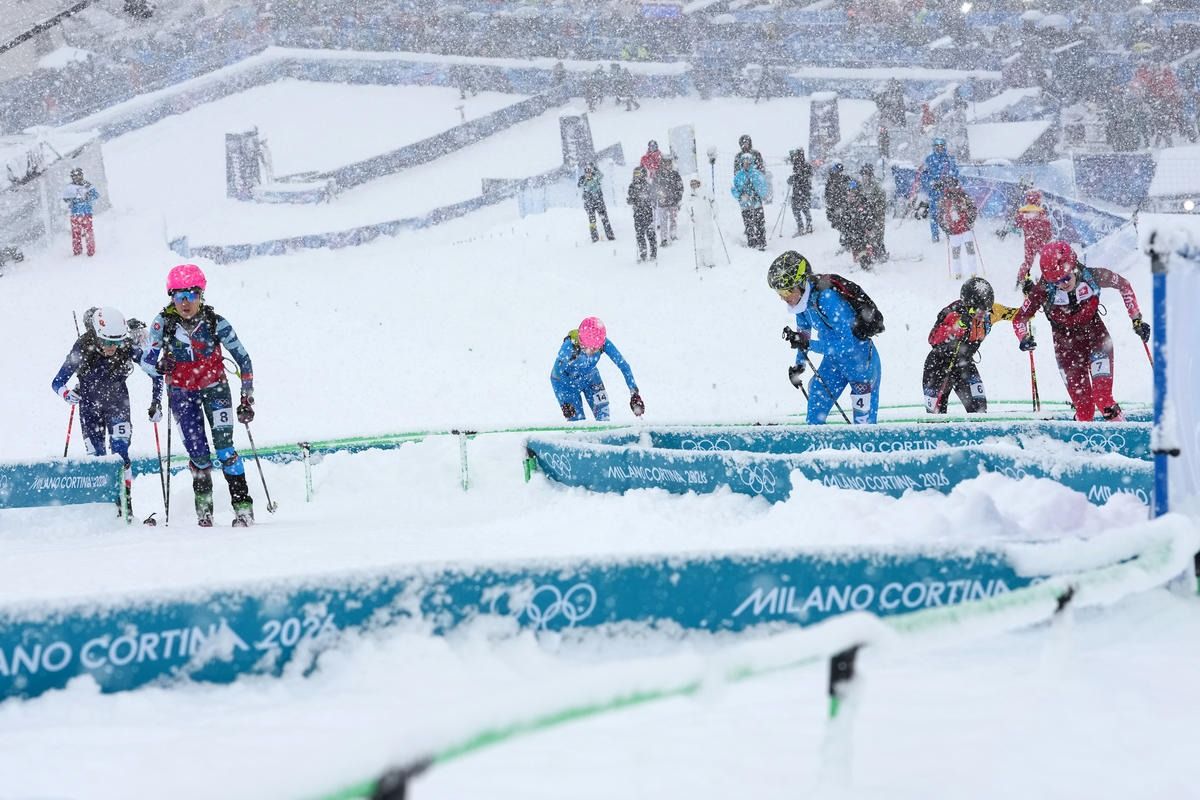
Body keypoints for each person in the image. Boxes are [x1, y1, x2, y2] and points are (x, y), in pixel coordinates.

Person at [140, 264, 257, 527]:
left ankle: (243, 508)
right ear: (171, 297)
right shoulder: (163, 323)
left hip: (215, 388)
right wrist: (160, 366)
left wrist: (246, 397)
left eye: (192, 295)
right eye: (179, 296)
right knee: (199, 456)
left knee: (225, 449)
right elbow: (146, 362)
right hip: (182, 393)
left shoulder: (215, 322)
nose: (185, 302)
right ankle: (204, 512)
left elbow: (243, 358)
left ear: (201, 295)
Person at [1011, 241, 1149, 422]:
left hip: (1097, 340)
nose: (1062, 284)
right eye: (1055, 282)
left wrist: (1136, 319)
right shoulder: (1043, 290)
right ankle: (1081, 436)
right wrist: (1023, 338)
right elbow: (1019, 319)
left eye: (1065, 278)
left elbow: (1124, 285)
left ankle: (1122, 432)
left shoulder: (1093, 276)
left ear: (1074, 267)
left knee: (1103, 399)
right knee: (1085, 409)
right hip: (1066, 351)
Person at [51, 306, 163, 522]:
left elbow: (155, 373)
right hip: (89, 409)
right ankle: (104, 513)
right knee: (99, 461)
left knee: (121, 457)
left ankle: (125, 509)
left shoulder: (126, 345)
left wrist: (156, 402)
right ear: (96, 335)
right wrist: (66, 393)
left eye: (116, 342)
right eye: (106, 342)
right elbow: (57, 382)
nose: (112, 347)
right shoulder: (83, 346)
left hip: (118, 404)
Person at [767, 251, 882, 425]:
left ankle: (867, 442)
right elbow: (803, 334)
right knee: (816, 401)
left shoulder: (828, 299)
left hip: (860, 363)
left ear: (801, 284)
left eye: (786, 291)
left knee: (863, 425)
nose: (783, 298)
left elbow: (847, 345)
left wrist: (809, 344)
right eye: (779, 292)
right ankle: (815, 441)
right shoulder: (802, 304)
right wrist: (799, 365)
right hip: (834, 363)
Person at [922, 278, 1018, 414]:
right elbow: (933, 339)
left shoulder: (991, 312)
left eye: (985, 310)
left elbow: (1021, 314)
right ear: (967, 305)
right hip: (938, 367)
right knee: (936, 416)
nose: (981, 315)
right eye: (976, 310)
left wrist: (1032, 299)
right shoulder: (953, 313)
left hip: (963, 365)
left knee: (979, 410)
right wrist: (959, 325)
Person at [550, 317, 644, 422]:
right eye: (588, 348)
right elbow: (556, 376)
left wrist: (634, 393)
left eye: (596, 349)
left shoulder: (603, 343)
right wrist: (565, 402)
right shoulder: (569, 347)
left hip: (590, 378)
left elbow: (623, 365)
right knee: (577, 420)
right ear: (581, 342)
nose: (591, 352)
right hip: (566, 383)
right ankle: (577, 428)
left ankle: (603, 429)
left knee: (603, 415)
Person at [918, 138, 960, 243]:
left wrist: (950, 180)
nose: (939, 148)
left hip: (947, 191)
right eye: (937, 146)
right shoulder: (929, 159)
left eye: (941, 146)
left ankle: (950, 233)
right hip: (934, 191)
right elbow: (924, 176)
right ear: (934, 147)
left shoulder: (949, 159)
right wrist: (932, 183)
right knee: (934, 214)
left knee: (949, 212)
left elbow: (955, 172)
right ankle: (935, 235)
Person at [936, 177, 978, 279]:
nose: (953, 188)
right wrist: (945, 228)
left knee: (970, 250)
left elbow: (973, 208)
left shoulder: (963, 196)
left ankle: (973, 272)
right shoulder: (944, 198)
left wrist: (970, 221)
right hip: (953, 230)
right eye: (951, 186)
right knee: (955, 253)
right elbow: (939, 215)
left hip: (965, 228)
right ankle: (957, 273)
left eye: (955, 185)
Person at [1014, 189, 1052, 290]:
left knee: (1027, 262)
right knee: (1047, 261)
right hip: (1040, 242)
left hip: (1028, 242)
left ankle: (1020, 279)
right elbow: (1047, 229)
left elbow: (1017, 223)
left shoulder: (1023, 213)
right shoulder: (1041, 214)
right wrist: (1047, 237)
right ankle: (1049, 280)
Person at [731, 152, 768, 250]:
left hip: (756, 204)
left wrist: (758, 194)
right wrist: (740, 196)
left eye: (748, 162)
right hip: (745, 205)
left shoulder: (757, 174)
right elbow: (734, 189)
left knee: (760, 223)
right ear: (741, 163)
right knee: (748, 224)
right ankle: (751, 242)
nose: (746, 164)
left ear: (751, 163)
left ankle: (761, 242)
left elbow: (763, 187)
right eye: (744, 162)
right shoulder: (738, 176)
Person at [62, 167, 99, 257]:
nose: (76, 177)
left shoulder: (87, 185)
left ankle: (91, 251)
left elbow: (96, 195)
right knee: (76, 234)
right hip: (75, 214)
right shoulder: (70, 187)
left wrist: (88, 196)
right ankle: (77, 251)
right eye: (74, 176)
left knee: (88, 232)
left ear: (82, 175)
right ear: (72, 177)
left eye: (78, 175)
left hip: (86, 213)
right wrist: (72, 198)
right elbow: (65, 198)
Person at [577, 163, 614, 243]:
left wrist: (595, 168)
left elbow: (601, 175)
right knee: (592, 221)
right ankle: (594, 237)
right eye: (586, 172)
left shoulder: (595, 177)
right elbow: (579, 185)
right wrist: (583, 180)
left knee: (604, 219)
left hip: (599, 202)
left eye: (589, 172)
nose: (588, 174)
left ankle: (610, 235)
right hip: (589, 204)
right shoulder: (583, 179)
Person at [858, 164, 888, 262]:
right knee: (866, 235)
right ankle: (867, 254)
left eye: (866, 174)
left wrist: (874, 208)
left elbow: (882, 201)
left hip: (877, 214)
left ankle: (880, 253)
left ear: (870, 175)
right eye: (863, 174)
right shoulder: (861, 186)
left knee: (878, 235)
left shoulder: (876, 186)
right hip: (866, 215)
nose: (864, 177)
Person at [627, 165, 657, 262]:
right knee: (639, 234)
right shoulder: (632, 186)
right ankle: (643, 253)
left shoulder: (647, 185)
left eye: (638, 174)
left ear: (643, 174)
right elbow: (630, 197)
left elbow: (653, 196)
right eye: (635, 174)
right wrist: (631, 200)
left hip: (647, 212)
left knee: (650, 233)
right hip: (637, 213)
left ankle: (653, 253)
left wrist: (649, 200)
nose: (637, 176)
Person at [654, 155, 683, 246]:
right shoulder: (658, 174)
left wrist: (678, 197)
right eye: (665, 163)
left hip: (673, 202)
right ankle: (664, 239)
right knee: (663, 221)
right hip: (662, 202)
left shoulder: (675, 174)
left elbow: (680, 187)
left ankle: (673, 235)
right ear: (662, 163)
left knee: (673, 220)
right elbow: (654, 187)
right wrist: (658, 196)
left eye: (669, 163)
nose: (667, 165)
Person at [687, 177, 716, 269]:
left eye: (695, 182)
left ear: (699, 183)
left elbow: (713, 203)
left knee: (708, 241)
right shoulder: (689, 195)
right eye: (691, 183)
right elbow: (686, 209)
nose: (693, 185)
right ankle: (700, 261)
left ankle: (709, 261)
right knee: (698, 242)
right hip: (697, 223)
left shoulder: (706, 192)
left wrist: (715, 212)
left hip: (706, 221)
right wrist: (690, 218)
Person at [786, 148, 813, 236]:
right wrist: (793, 178)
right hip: (801, 191)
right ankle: (807, 226)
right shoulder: (803, 165)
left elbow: (802, 177)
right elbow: (804, 177)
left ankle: (803, 227)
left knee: (799, 209)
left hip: (801, 191)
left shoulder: (801, 166)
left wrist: (794, 178)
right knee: (802, 209)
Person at [823, 161, 849, 236]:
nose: (838, 173)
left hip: (840, 204)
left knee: (841, 222)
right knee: (834, 223)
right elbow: (827, 192)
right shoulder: (831, 179)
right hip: (834, 204)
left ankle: (841, 235)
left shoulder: (844, 179)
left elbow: (847, 191)